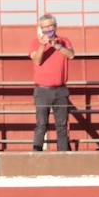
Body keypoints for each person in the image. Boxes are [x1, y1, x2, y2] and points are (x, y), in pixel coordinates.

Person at [29, 13, 75, 152]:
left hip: (60, 90)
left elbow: (71, 55)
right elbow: (36, 60)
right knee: (41, 124)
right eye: (45, 27)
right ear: (40, 28)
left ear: (55, 26)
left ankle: (63, 155)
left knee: (61, 125)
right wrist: (43, 46)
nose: (48, 29)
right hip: (42, 91)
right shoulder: (35, 42)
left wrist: (57, 46)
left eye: (50, 26)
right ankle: (36, 153)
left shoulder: (64, 41)